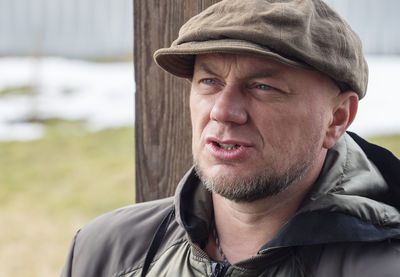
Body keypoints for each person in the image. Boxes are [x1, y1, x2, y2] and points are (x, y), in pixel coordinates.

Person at [61, 0, 400, 276]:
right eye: (209, 82)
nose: (223, 111)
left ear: (337, 118)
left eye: (263, 86)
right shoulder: (104, 254)